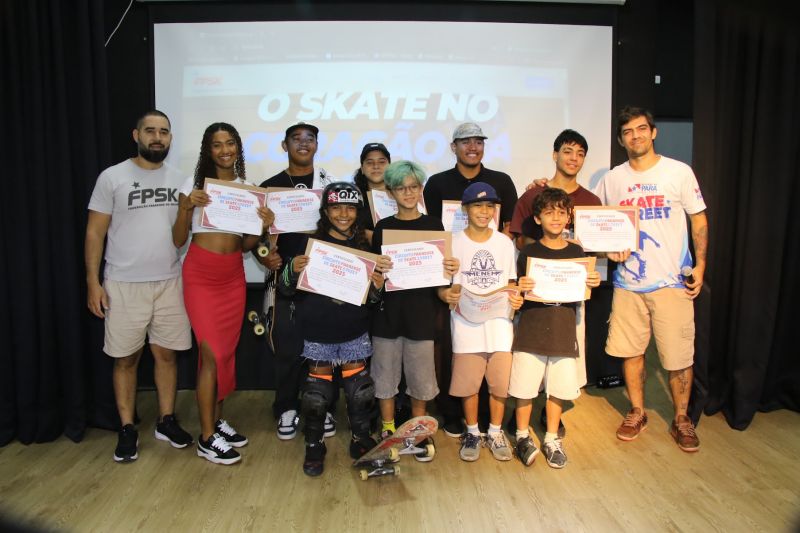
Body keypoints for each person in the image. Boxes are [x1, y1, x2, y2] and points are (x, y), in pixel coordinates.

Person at [596, 106, 708, 452]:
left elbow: (699, 221)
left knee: (678, 357)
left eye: (641, 129)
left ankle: (681, 419)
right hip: (628, 286)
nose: (636, 136)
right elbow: (600, 226)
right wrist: (609, 250)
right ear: (620, 140)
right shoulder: (612, 179)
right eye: (628, 132)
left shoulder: (679, 172)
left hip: (672, 282)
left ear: (653, 132)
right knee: (630, 352)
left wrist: (701, 266)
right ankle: (637, 411)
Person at [86, 110, 193, 463]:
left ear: (170, 138)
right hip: (122, 283)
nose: (157, 137)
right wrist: (92, 282)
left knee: (166, 354)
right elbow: (94, 232)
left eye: (164, 131)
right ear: (136, 135)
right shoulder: (112, 177)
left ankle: (166, 420)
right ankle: (128, 427)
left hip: (169, 281)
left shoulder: (181, 180)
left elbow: (183, 234)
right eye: (151, 131)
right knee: (126, 359)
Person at [172, 122, 273, 465]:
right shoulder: (194, 184)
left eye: (230, 143)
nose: (224, 150)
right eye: (217, 145)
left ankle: (215, 422)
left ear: (238, 147)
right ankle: (205, 437)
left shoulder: (247, 189)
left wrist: (261, 225)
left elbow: (246, 247)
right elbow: (177, 240)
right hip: (200, 274)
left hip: (232, 275)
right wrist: (187, 207)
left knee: (224, 355)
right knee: (212, 354)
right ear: (208, 150)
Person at [277, 182, 391, 476]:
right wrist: (293, 270)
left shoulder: (365, 249)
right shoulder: (309, 246)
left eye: (350, 208)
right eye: (337, 207)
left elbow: (373, 299)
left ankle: (361, 438)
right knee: (316, 395)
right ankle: (314, 444)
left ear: (358, 211)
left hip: (353, 330)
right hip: (317, 331)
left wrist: (378, 286)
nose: (344, 214)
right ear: (325, 211)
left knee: (360, 392)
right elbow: (286, 289)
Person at [423, 122, 519, 437]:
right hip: (455, 288)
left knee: (496, 367)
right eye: (465, 142)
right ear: (454, 147)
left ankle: (490, 427)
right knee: (458, 357)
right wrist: (442, 287)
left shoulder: (501, 181)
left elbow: (510, 230)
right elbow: (431, 233)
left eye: (478, 141)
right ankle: (458, 418)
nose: (472, 147)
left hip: (495, 301)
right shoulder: (437, 183)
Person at [509, 129, 602, 436]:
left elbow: (597, 245)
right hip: (536, 295)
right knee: (529, 356)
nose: (573, 158)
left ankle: (552, 417)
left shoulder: (591, 200)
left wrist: (614, 249)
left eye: (580, 153)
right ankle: (523, 414)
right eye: (567, 151)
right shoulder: (533, 193)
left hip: (571, 295)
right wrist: (540, 263)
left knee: (563, 356)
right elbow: (518, 238)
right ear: (554, 155)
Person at [371, 161, 460, 459]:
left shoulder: (434, 225)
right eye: (401, 187)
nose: (408, 193)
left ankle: (417, 431)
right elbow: (375, 279)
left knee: (421, 376)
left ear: (420, 189)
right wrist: (378, 270)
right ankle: (387, 429)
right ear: (391, 191)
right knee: (385, 376)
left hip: (422, 312)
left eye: (413, 187)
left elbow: (440, 275)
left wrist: (450, 269)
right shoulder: (383, 227)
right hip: (388, 313)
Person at [257, 122, 338, 441]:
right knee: (288, 350)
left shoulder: (328, 184)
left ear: (317, 145)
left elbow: (341, 225)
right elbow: (257, 239)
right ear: (284, 145)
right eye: (296, 139)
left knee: (324, 348)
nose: (303, 144)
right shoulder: (270, 186)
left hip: (323, 280)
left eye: (310, 139)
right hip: (286, 280)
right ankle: (286, 407)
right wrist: (265, 255)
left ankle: (324, 407)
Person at [437, 182, 523, 462]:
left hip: (499, 325)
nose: (484, 211)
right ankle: (473, 431)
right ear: (465, 209)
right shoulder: (453, 242)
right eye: (477, 205)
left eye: (489, 206)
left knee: (499, 383)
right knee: (469, 384)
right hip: (466, 324)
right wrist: (445, 294)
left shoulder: (504, 242)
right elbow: (442, 285)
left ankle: (495, 431)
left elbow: (510, 282)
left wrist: (516, 298)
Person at [353, 142, 391, 244]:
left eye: (381, 162)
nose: (376, 166)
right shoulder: (353, 198)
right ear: (362, 169)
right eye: (369, 162)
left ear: (390, 166)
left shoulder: (403, 195)